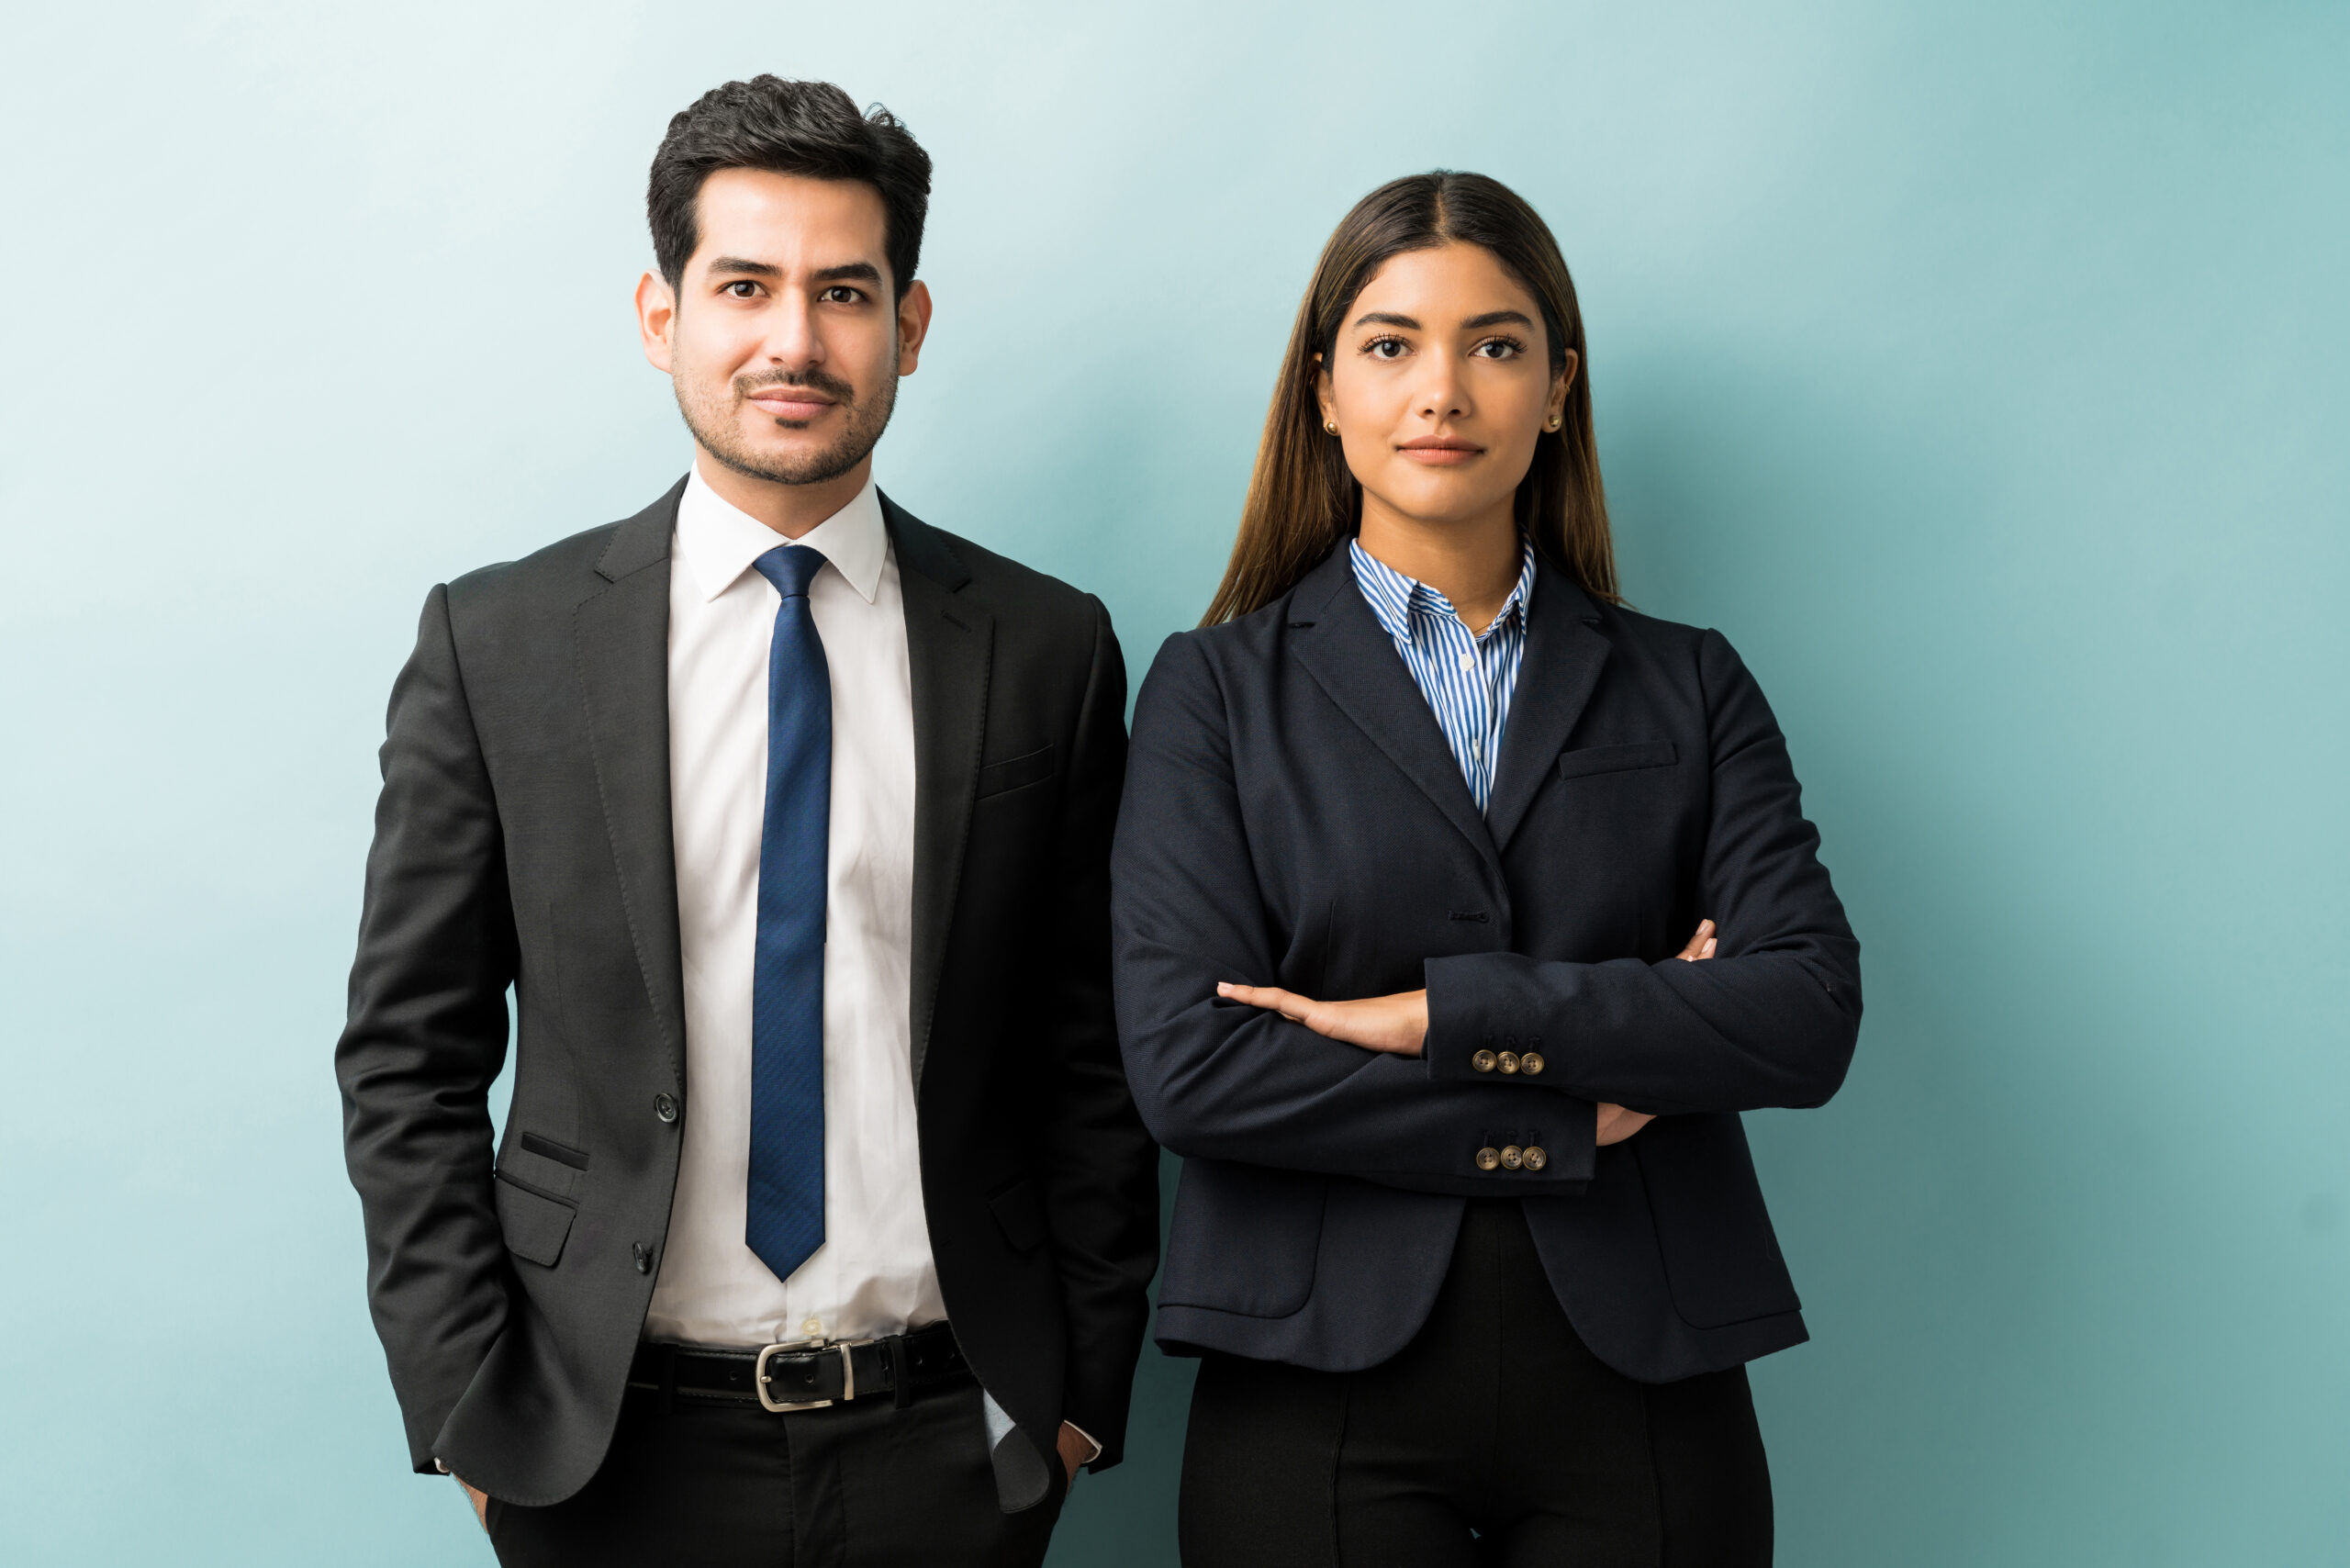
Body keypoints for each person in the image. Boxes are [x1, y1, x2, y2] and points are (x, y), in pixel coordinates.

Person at [336, 76, 1158, 1567]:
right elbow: (407, 1053)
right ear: (663, 317)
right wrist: (469, 1401)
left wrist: (1080, 1386)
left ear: (909, 325)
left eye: (845, 291)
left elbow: (1087, 1045)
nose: (794, 340)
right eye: (745, 287)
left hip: (950, 1439)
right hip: (605, 1449)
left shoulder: (1046, 648)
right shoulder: (499, 644)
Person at [1112, 171, 1861, 1566]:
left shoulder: (1688, 686)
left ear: (1559, 390)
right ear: (1324, 391)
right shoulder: (1212, 692)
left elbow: (1806, 1012)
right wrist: (1579, 1105)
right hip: (1313, 1387)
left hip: (1647, 1377)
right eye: (1391, 345)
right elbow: (1192, 1068)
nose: (1441, 390)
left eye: (1496, 344)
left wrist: (1456, 1017)